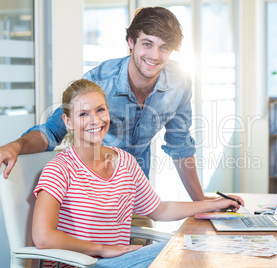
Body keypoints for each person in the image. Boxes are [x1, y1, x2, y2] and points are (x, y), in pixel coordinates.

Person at [0, 6, 209, 201]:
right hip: (90, 195)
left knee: (150, 246)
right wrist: (15, 146)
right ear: (131, 42)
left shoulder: (180, 83)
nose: (154, 55)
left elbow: (180, 146)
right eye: (147, 44)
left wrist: (202, 203)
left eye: (164, 48)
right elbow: (51, 131)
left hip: (136, 194)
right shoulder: (99, 81)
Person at [32, 79, 244, 268]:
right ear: (68, 122)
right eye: (83, 114)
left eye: (100, 110)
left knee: (190, 243)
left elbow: (160, 209)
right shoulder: (60, 169)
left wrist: (214, 204)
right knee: (179, 249)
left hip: (120, 261)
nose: (95, 120)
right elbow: (42, 237)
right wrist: (103, 249)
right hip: (83, 263)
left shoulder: (125, 161)